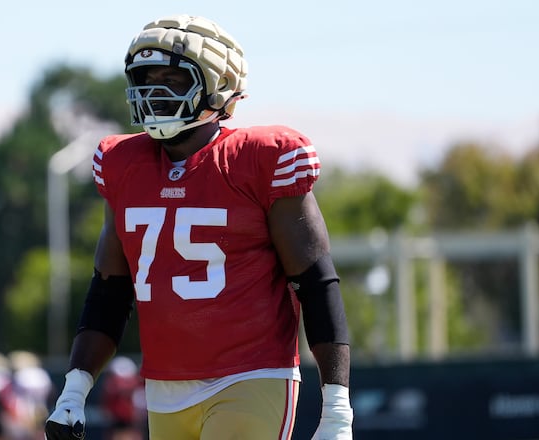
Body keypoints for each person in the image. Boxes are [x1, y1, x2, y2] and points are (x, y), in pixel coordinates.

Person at [45, 14, 353, 440]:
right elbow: (110, 290)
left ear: (217, 84)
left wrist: (337, 407)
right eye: (144, 77)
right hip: (164, 385)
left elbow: (316, 282)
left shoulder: (259, 160)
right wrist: (74, 390)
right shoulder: (123, 165)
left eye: (170, 77)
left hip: (249, 375)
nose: (153, 90)